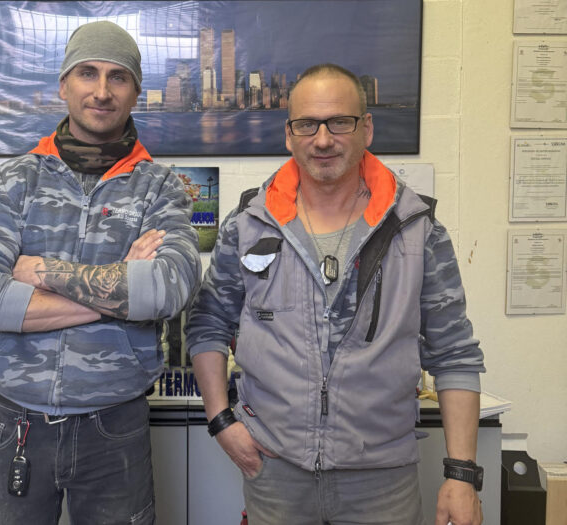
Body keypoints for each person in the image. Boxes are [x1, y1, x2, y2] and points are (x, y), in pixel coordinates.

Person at [186, 63, 485, 525]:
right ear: (289, 135)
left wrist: (461, 475)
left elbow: (454, 353)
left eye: (339, 122)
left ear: (367, 128)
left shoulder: (416, 229)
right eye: (307, 124)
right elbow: (208, 323)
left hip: (383, 482)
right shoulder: (248, 224)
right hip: (275, 475)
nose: (323, 140)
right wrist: (221, 421)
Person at [0, 21, 200, 525]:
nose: (102, 91)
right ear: (64, 85)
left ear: (136, 93)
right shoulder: (14, 180)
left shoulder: (161, 188)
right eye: (88, 73)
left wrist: (39, 271)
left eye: (118, 77)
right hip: (15, 421)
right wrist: (119, 287)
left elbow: (168, 290)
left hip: (115, 426)